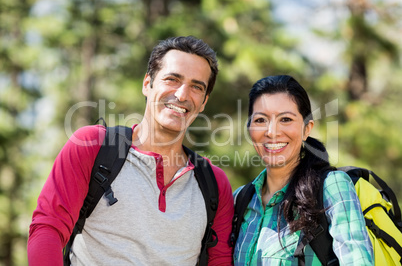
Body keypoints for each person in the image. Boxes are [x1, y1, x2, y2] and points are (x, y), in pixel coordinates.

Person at [28, 36, 234, 265]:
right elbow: (48, 228)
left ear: (204, 102)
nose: (183, 95)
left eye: (196, 86)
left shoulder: (215, 183)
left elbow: (220, 260)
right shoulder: (93, 145)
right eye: (172, 79)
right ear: (147, 84)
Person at [233, 75, 373, 265]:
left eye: (286, 119)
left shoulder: (332, 187)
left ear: (307, 129)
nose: (272, 132)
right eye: (260, 120)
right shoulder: (240, 199)